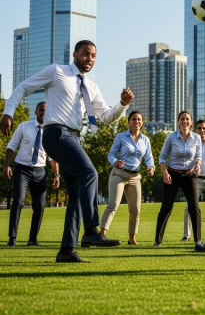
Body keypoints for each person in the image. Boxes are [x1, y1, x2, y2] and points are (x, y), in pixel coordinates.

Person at [0, 40, 133, 263]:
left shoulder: (91, 87)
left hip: (73, 138)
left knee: (77, 192)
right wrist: (8, 111)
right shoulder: (57, 71)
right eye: (85, 54)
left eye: (93, 56)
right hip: (56, 133)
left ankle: (66, 250)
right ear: (75, 54)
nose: (89, 58)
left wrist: (122, 104)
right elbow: (24, 87)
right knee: (89, 174)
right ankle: (91, 231)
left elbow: (106, 117)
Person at [3, 102, 60, 246]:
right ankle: (12, 238)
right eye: (41, 110)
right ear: (36, 112)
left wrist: (56, 175)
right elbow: (11, 145)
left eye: (46, 110)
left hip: (40, 172)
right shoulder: (24, 126)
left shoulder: (51, 131)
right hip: (22, 170)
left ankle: (32, 239)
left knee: (40, 206)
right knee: (18, 202)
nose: (43, 112)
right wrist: (6, 165)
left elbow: (52, 156)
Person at [100, 111, 155, 245]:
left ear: (142, 122)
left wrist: (151, 167)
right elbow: (111, 154)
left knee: (135, 209)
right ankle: (101, 236)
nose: (136, 122)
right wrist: (115, 162)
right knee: (113, 204)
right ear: (129, 122)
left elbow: (149, 157)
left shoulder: (145, 140)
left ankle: (131, 238)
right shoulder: (121, 137)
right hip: (119, 174)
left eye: (139, 119)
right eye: (134, 119)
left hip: (135, 177)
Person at [155, 111, 202, 247]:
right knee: (166, 208)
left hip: (190, 175)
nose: (184, 121)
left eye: (187, 119)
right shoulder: (171, 137)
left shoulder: (196, 138)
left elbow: (199, 155)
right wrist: (165, 173)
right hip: (172, 175)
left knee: (194, 207)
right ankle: (157, 241)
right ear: (178, 122)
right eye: (182, 119)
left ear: (191, 122)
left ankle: (198, 241)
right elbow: (162, 157)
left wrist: (198, 165)